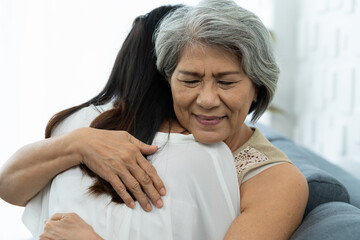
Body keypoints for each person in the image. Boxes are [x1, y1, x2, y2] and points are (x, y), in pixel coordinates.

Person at [0, 0, 309, 239]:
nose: (207, 99)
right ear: (168, 81)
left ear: (258, 87)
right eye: (190, 81)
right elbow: (9, 186)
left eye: (226, 83)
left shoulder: (277, 181)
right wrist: (77, 144)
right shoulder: (149, 137)